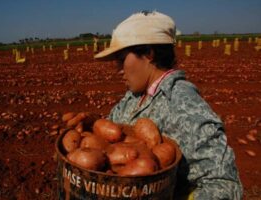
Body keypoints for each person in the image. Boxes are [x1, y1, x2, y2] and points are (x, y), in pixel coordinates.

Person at [94, 11, 243, 200]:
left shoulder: (182, 103)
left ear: (149, 53)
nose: (118, 70)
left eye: (121, 60)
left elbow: (225, 185)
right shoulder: (133, 97)